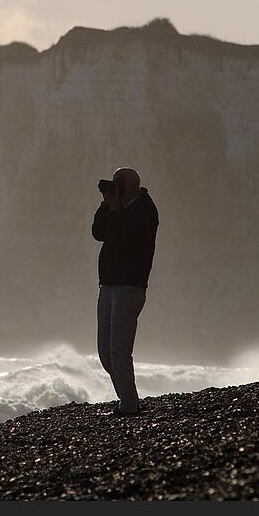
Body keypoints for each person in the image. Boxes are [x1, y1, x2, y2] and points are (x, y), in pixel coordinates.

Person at [91, 167, 159, 416]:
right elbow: (99, 233)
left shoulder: (145, 210)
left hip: (129, 287)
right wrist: (107, 205)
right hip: (108, 286)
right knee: (105, 352)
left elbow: (122, 238)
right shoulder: (117, 207)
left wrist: (114, 209)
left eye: (119, 182)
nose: (115, 186)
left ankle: (129, 406)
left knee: (119, 349)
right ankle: (127, 400)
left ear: (133, 185)